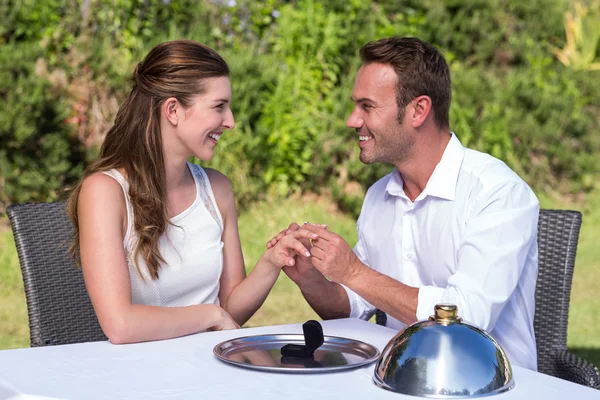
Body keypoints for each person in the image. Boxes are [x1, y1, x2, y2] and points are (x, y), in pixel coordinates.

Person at [268, 37, 539, 370]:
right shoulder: (379, 196)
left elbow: (466, 319)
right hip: (396, 381)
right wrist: (311, 277)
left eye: (367, 106)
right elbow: (352, 306)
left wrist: (354, 271)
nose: (352, 120)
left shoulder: (498, 193)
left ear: (418, 111)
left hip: (489, 386)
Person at [66, 40, 317, 344]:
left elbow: (231, 310)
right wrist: (210, 314)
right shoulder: (105, 192)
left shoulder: (217, 189)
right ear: (173, 110)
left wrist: (272, 261)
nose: (231, 121)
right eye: (219, 106)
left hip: (208, 366)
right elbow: (120, 325)